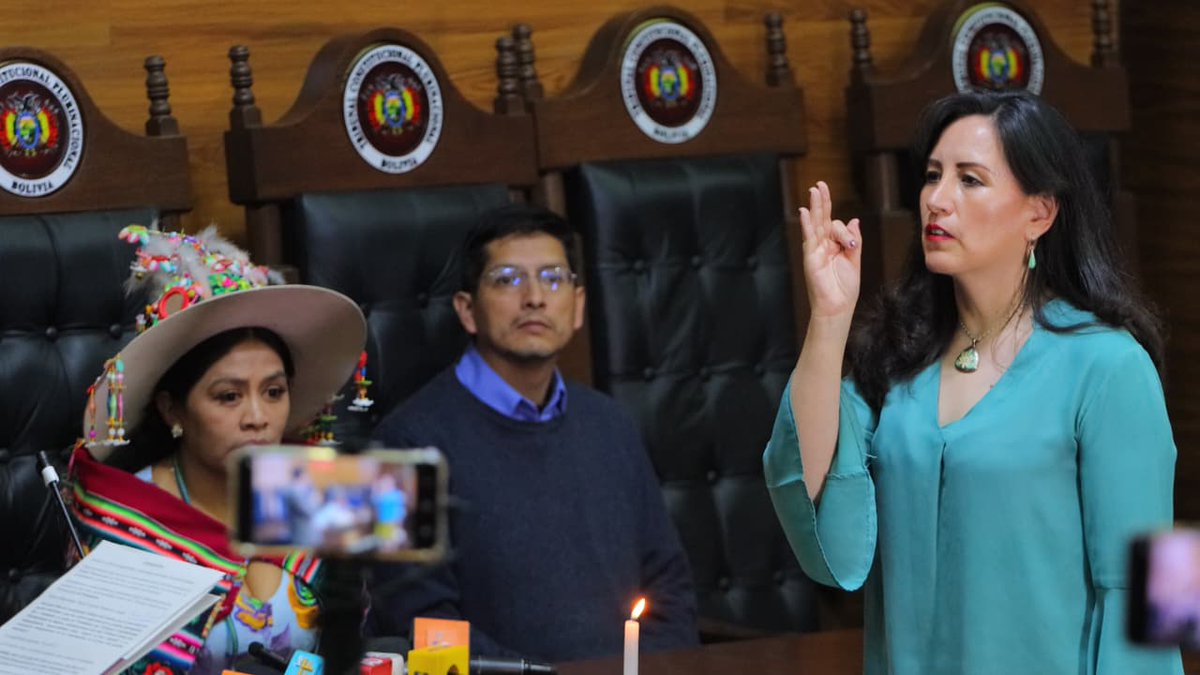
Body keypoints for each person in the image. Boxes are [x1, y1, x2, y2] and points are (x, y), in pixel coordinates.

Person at [764, 91, 1183, 674]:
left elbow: (1156, 595)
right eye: (933, 176)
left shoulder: (1109, 365)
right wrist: (830, 321)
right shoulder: (898, 360)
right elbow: (807, 491)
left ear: (1040, 212)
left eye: (971, 180)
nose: (937, 199)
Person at [370, 204, 698, 661]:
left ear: (578, 305)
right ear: (467, 310)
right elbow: (423, 624)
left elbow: (670, 587)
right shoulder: (403, 445)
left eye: (553, 278)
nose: (535, 298)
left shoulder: (610, 424)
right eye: (507, 279)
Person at [68, 226, 367, 675]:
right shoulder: (122, 529)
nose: (257, 417)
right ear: (173, 410)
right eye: (228, 396)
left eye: (273, 391)